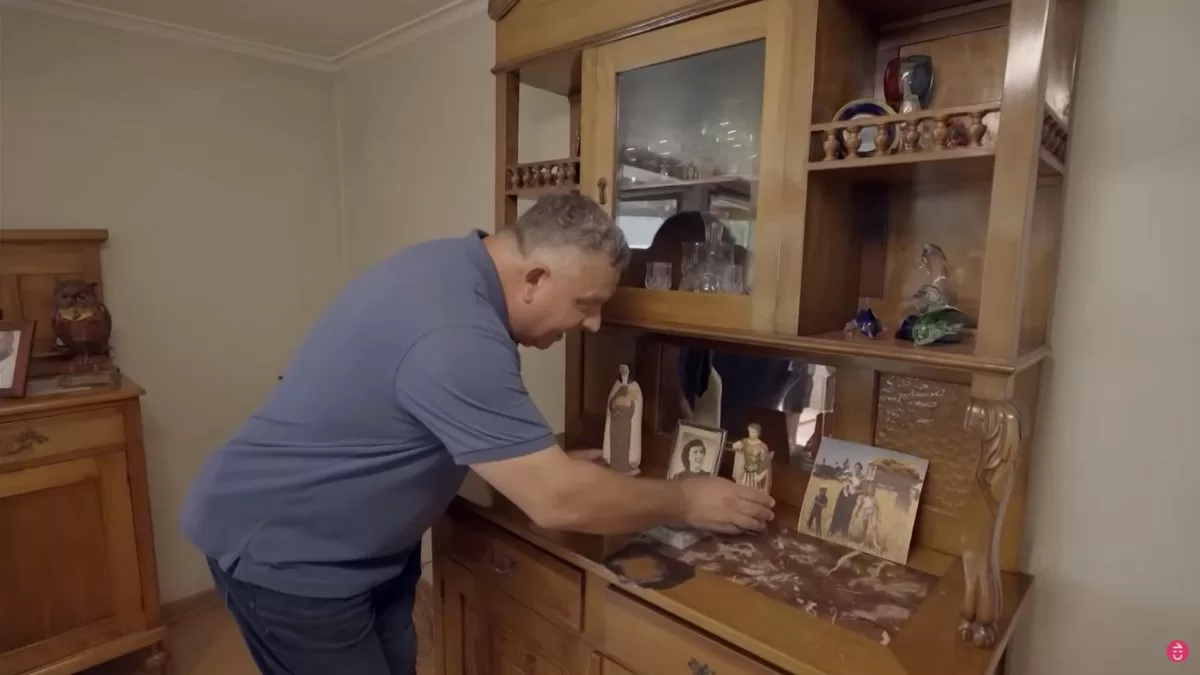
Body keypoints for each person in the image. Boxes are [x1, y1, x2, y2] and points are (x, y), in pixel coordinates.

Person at [181, 195, 774, 675]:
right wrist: (686, 498)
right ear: (535, 278)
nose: (592, 325)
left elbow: (422, 410)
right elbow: (557, 501)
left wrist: (529, 459)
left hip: (363, 548)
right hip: (288, 553)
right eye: (587, 304)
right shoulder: (456, 333)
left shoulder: (451, 267)